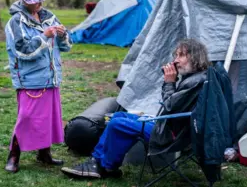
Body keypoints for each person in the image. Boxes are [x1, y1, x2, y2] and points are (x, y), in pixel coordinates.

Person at [61, 39, 210, 179]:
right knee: (119, 116)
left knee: (118, 124)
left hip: (172, 135)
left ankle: (102, 165)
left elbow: (169, 106)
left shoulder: (195, 81)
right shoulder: (197, 77)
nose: (176, 60)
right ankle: (103, 164)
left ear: (196, 57)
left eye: (182, 55)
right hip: (176, 128)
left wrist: (169, 82)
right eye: (176, 55)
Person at [4, 0, 73, 173]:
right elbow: (22, 50)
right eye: (35, 0)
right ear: (25, 1)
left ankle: (44, 154)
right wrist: (44, 36)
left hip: (50, 78)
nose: (39, 3)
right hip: (30, 79)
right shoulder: (16, 22)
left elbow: (67, 46)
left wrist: (61, 35)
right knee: (26, 118)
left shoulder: (49, 17)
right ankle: (13, 155)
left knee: (48, 118)